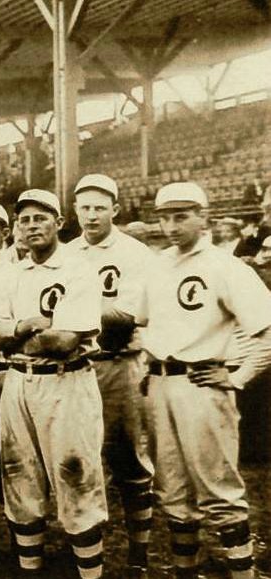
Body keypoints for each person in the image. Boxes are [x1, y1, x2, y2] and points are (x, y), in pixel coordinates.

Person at [132, 183, 271, 579]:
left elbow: (267, 330)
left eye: (181, 216)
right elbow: (141, 322)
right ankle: (184, 573)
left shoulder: (225, 266)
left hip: (201, 384)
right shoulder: (157, 264)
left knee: (219, 490)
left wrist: (238, 376)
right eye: (165, 217)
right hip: (159, 384)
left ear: (203, 216)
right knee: (172, 492)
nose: (171, 226)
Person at [0, 189, 107, 579]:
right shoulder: (11, 272)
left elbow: (64, 341)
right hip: (19, 381)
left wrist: (12, 333)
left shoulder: (78, 268)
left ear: (59, 222)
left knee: (76, 476)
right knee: (19, 478)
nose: (32, 225)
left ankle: (90, 574)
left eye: (40, 218)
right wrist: (26, 326)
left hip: (66, 382)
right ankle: (30, 570)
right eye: (24, 219)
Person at [70, 174, 155, 577]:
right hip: (74, 367)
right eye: (84, 207)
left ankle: (139, 554)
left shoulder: (135, 253)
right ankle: (88, 553)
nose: (91, 215)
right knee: (79, 459)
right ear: (74, 211)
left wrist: (67, 316)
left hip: (118, 363)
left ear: (116, 210)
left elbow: (126, 318)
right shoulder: (66, 252)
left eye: (99, 207)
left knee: (128, 461)